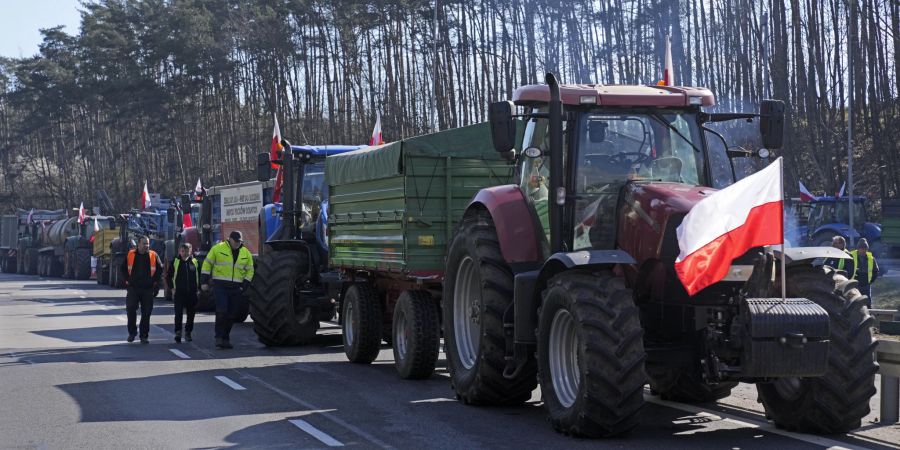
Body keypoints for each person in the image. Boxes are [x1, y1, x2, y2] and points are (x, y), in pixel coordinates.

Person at [201, 231, 254, 349]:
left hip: (236, 287)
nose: (237, 244)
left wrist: (244, 286)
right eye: (235, 241)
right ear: (229, 239)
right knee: (222, 310)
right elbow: (207, 264)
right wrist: (204, 282)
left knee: (231, 314)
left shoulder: (246, 253)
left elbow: (250, 271)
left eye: (239, 242)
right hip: (220, 286)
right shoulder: (217, 249)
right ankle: (219, 337)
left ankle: (226, 338)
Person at [122, 236, 163, 344]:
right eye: (144, 243)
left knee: (146, 313)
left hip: (147, 289)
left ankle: (144, 336)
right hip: (133, 288)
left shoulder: (153, 255)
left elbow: (160, 269)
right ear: (138, 244)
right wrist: (128, 280)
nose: (146, 246)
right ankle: (132, 333)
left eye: (148, 244)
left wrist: (155, 283)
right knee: (131, 310)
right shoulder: (131, 254)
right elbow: (123, 268)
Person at [166, 243, 199, 343]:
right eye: (183, 251)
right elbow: (168, 277)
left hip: (192, 293)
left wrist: (199, 289)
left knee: (191, 314)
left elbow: (199, 276)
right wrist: (172, 289)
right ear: (180, 251)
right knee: (178, 313)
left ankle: (188, 332)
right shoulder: (175, 262)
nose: (185, 253)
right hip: (179, 292)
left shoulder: (195, 262)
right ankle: (178, 332)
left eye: (187, 251)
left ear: (191, 251)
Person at [850, 238, 880, 307]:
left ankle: (869, 315)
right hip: (854, 284)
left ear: (867, 249)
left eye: (865, 248)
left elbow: (876, 271)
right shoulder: (851, 256)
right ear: (858, 248)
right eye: (861, 248)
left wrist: (870, 281)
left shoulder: (871, 258)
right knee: (854, 302)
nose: (863, 250)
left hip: (866, 285)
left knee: (867, 303)